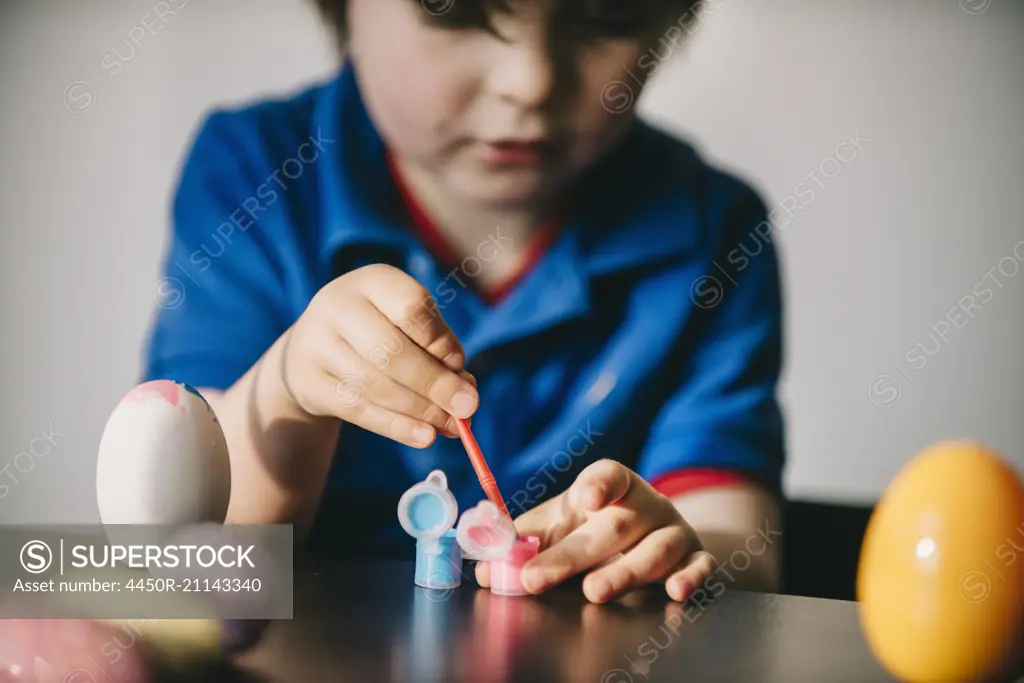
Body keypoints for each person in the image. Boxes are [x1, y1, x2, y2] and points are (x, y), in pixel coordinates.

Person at [143, 0, 786, 604]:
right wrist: (287, 390)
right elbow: (192, 557)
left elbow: (741, 546)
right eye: (452, 7)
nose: (531, 81)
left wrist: (670, 553)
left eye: (605, 15)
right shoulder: (255, 174)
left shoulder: (715, 230)